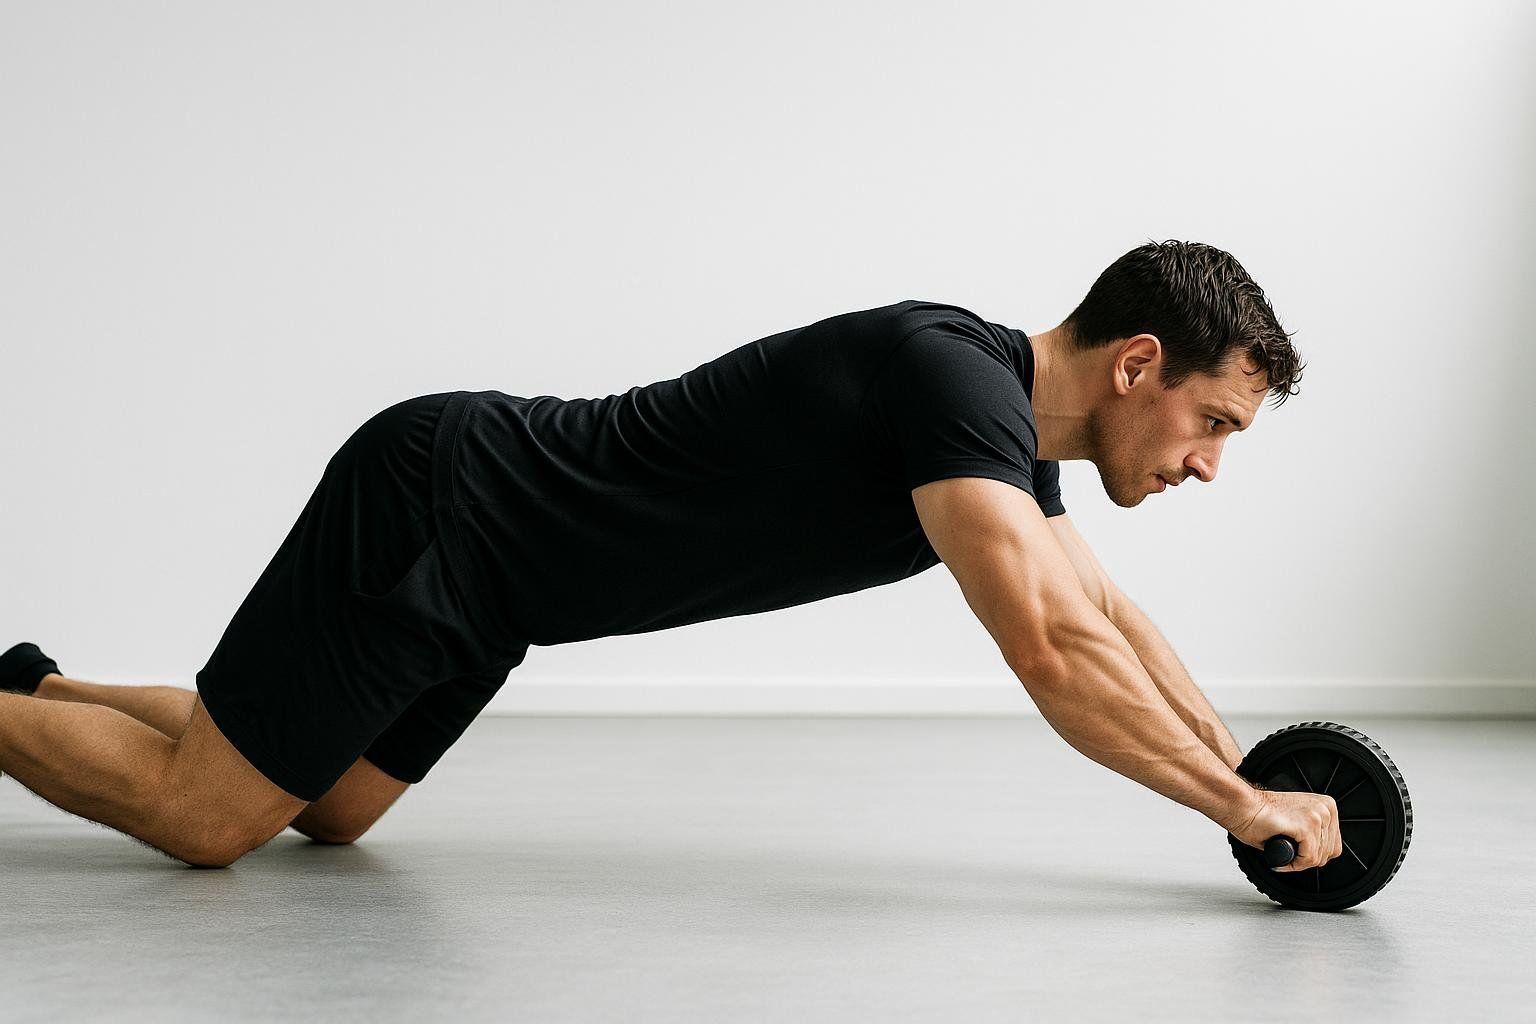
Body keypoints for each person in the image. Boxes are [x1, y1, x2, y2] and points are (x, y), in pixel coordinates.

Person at [0, 238, 1342, 872]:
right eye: (1211, 423)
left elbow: (1107, 618)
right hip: (448, 507)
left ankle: (40, 685)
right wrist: (1235, 813)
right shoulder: (952, 381)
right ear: (1138, 363)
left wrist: (1248, 768)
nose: (1207, 461)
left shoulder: (1008, 445)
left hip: (503, 587)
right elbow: (1048, 650)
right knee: (210, 821)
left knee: (329, 808)